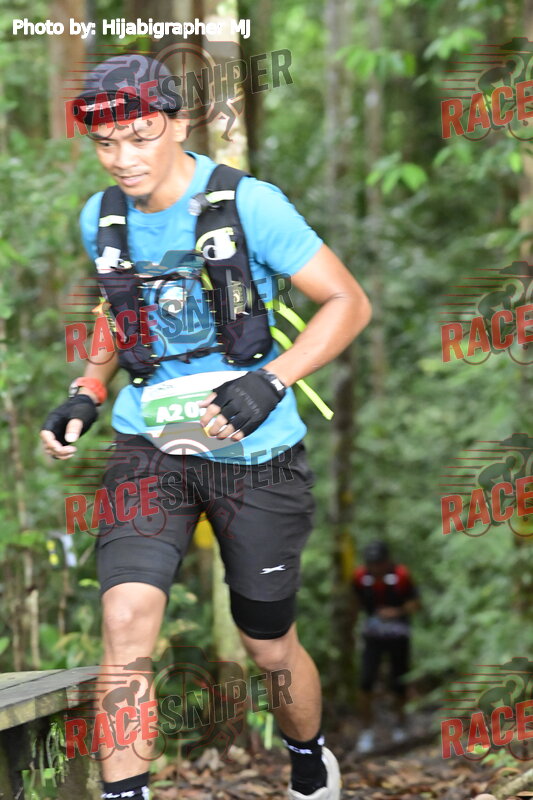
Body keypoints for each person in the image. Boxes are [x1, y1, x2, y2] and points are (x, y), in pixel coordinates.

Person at [40, 54, 371, 800]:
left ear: (179, 123)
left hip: (259, 451)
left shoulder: (251, 204)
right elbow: (118, 308)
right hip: (149, 446)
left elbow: (348, 302)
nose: (122, 159)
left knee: (267, 644)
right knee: (126, 620)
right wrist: (87, 388)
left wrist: (271, 380)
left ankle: (308, 757)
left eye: (139, 138)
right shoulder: (101, 217)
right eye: (105, 144)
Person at [352, 541, 420, 754]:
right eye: (372, 563)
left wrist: (396, 611)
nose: (376, 568)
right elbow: (354, 602)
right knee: (366, 681)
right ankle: (366, 731)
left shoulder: (401, 575)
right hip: (372, 636)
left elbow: (416, 603)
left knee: (399, 680)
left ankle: (400, 725)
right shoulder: (360, 577)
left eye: (379, 563)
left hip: (398, 635)